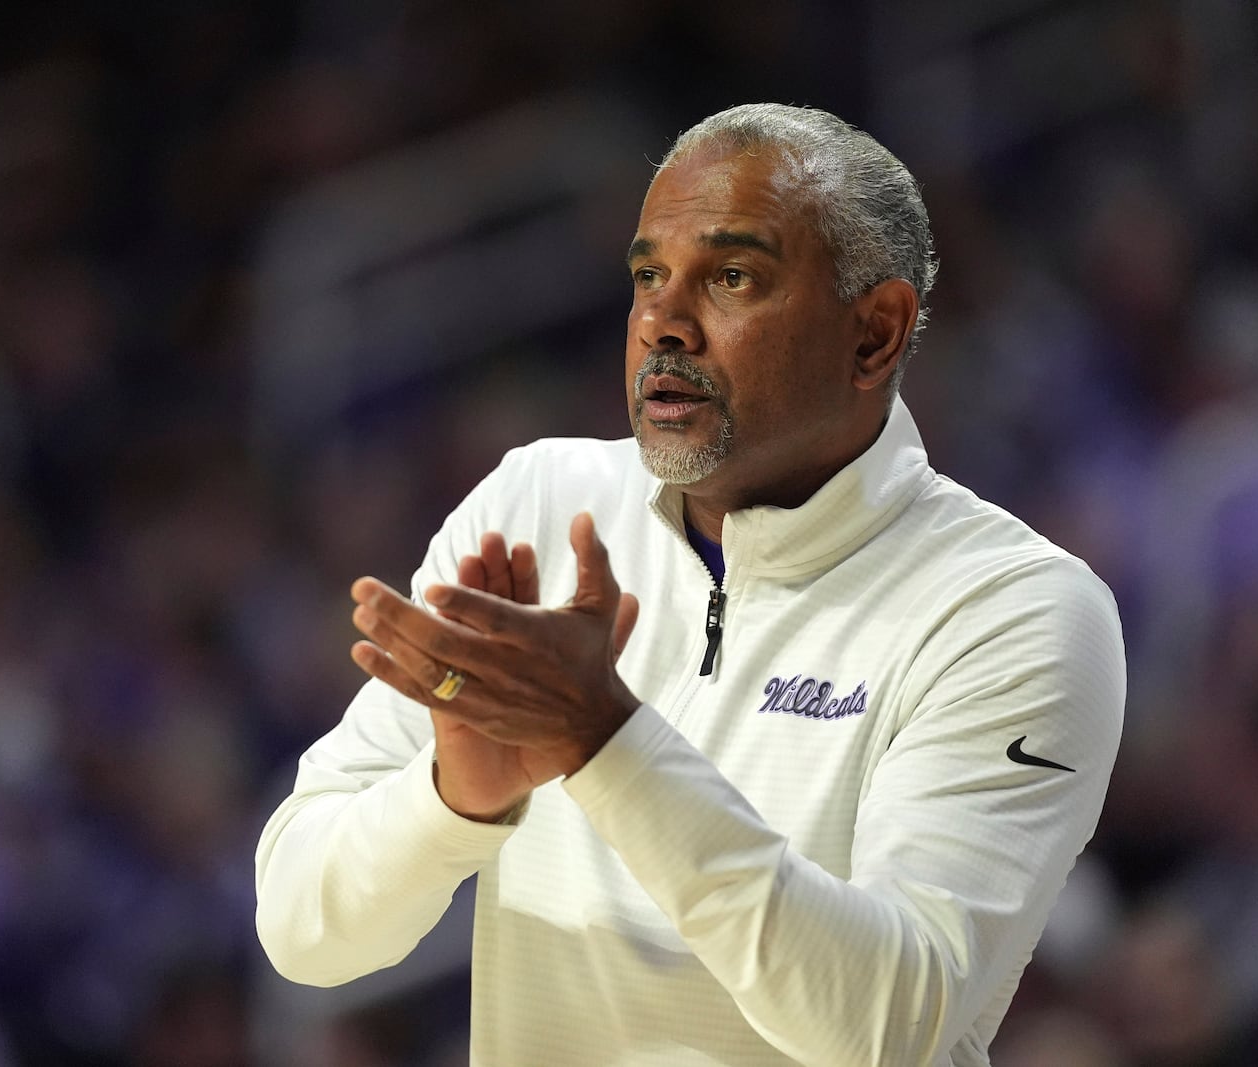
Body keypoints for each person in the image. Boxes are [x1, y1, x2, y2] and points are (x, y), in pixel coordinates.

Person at [254, 102, 1126, 1067]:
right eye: (647, 277)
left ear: (875, 334)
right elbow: (302, 931)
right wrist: (452, 795)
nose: (664, 324)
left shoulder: (1013, 611)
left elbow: (885, 1021)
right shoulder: (539, 504)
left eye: (733, 277)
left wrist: (602, 740)